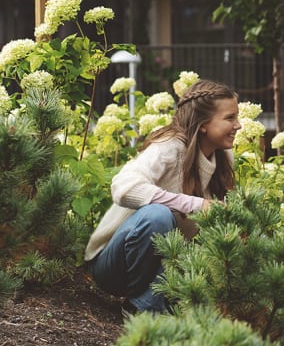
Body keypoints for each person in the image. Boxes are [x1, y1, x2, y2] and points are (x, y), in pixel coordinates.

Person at [84, 80, 241, 314]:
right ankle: (143, 307)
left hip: (161, 268)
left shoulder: (223, 157)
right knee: (157, 215)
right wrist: (194, 205)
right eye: (230, 118)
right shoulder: (170, 148)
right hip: (113, 265)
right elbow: (123, 187)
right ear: (204, 124)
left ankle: (148, 307)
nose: (238, 125)